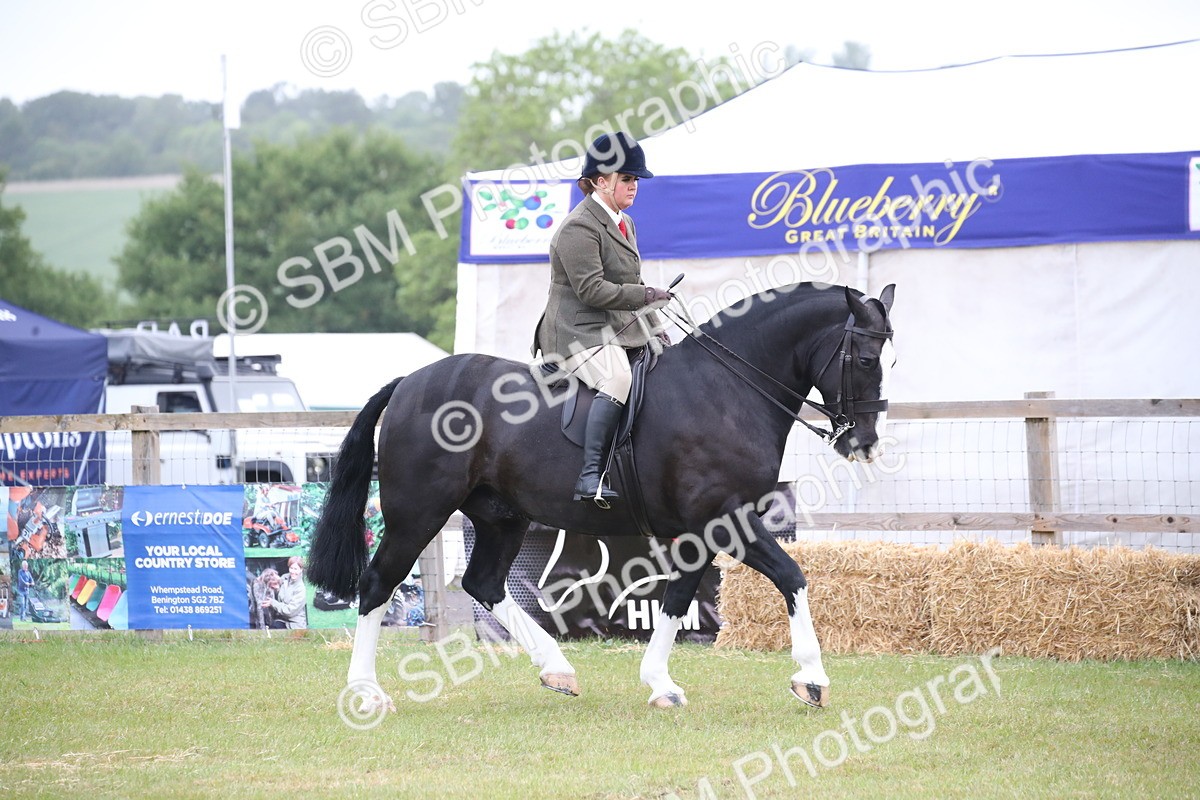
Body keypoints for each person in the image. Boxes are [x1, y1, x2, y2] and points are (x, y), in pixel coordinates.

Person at [532, 132, 673, 507]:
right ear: (600, 181)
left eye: (635, 179)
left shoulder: (625, 222)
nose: (634, 186)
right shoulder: (578, 227)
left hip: (615, 326)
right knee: (618, 377)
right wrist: (646, 296)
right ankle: (590, 476)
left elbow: (633, 283)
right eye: (626, 178)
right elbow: (592, 290)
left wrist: (659, 330)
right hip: (577, 331)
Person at [263, 556, 308, 629]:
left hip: (294, 624)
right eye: (291, 568)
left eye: (296, 569)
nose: (293, 571)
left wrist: (272, 603)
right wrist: (277, 588)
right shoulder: (285, 578)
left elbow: (289, 611)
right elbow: (282, 595)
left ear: (301, 570)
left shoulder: (300, 588)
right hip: (282, 619)